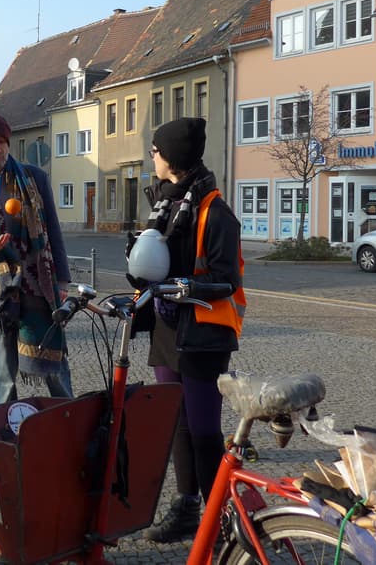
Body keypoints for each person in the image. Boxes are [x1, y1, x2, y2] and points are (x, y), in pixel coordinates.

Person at [129, 117, 247, 543]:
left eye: (156, 150)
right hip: (167, 329)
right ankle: (185, 508)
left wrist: (183, 289)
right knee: (177, 424)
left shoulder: (215, 211)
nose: (152, 156)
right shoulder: (163, 204)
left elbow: (226, 278)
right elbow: (154, 268)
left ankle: (220, 521)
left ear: (173, 157)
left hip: (203, 335)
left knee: (202, 430)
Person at [0, 112, 73, 404]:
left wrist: (63, 280)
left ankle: (69, 417)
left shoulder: (34, 178)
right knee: (4, 372)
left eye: (2, 142)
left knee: (55, 365)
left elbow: (53, 231)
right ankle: (8, 431)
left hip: (39, 285)